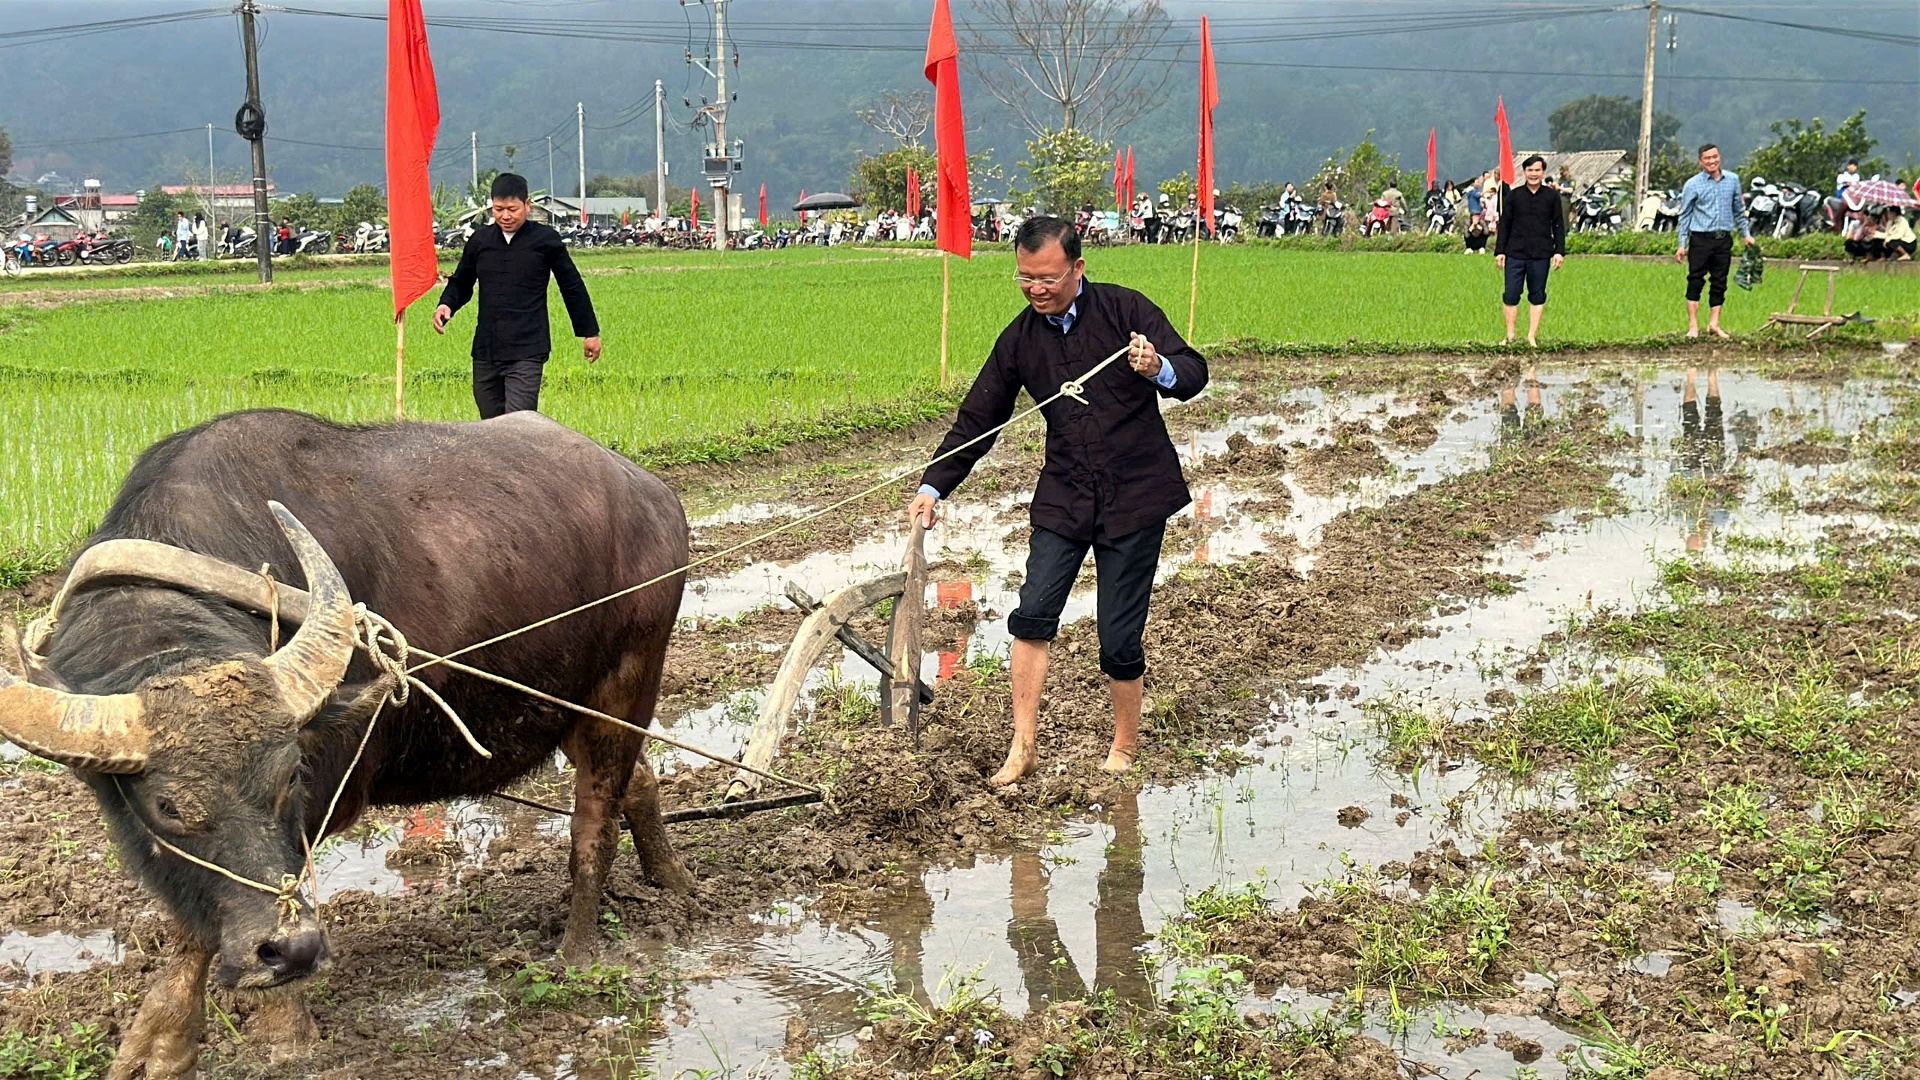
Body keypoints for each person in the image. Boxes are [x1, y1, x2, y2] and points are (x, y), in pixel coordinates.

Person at [906, 216, 1208, 785]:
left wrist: (1158, 368)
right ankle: (1023, 747)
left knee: (1119, 636)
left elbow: (1194, 372)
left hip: (1135, 495)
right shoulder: (1020, 338)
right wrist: (933, 486)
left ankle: (1124, 745)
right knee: (1032, 616)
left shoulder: (1126, 312)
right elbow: (979, 419)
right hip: (1066, 493)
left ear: (1077, 268)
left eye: (1047, 278)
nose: (1036, 289)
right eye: (1025, 278)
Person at [434, 172, 602, 419]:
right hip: (486, 350)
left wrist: (590, 332)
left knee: (518, 427)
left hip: (527, 350)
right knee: (489, 429)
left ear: (527, 205)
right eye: (498, 209)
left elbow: (572, 286)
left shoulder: (545, 240)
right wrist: (446, 304)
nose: (505, 216)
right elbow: (462, 282)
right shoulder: (480, 241)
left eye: (512, 209)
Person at [1674, 144, 1754, 340]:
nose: (1712, 161)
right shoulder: (1693, 184)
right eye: (1707, 158)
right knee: (1695, 280)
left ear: (1720, 158)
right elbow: (1684, 216)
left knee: (1720, 281)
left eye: (1715, 157)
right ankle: (1693, 326)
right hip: (1700, 239)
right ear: (1700, 162)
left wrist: (1746, 234)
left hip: (1723, 239)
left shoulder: (1732, 180)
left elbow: (1738, 210)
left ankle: (1714, 324)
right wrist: (1682, 244)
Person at [1494, 154, 1567, 347]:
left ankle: (1531, 337)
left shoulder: (1551, 197)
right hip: (1515, 253)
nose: (1533, 174)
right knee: (1511, 294)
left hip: (1541, 254)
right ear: (1524, 172)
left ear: (1543, 173)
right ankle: (1510, 336)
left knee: (1537, 294)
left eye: (1537, 170)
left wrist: (1559, 251)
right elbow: (1505, 224)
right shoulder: (1514, 196)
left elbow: (1558, 225)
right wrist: (1500, 251)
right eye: (1530, 170)